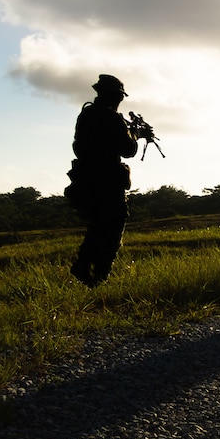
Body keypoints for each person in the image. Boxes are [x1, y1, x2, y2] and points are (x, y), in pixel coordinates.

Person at [66, 74, 143, 287]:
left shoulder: (86, 114)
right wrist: (135, 134)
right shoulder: (111, 118)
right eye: (119, 96)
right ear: (114, 96)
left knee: (98, 224)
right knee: (113, 226)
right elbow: (128, 150)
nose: (120, 101)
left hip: (86, 179)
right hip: (107, 180)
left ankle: (83, 265)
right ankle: (101, 276)